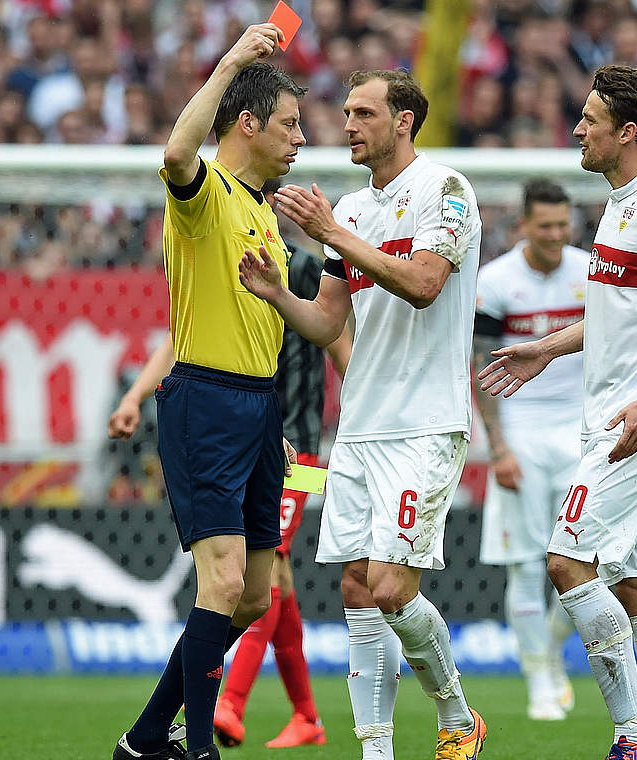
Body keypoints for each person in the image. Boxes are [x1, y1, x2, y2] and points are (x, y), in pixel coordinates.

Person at [237, 68, 486, 760]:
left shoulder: (447, 191)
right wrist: (274, 292)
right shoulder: (350, 209)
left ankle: (459, 715)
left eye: (363, 113)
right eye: (345, 112)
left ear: (403, 121)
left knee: (390, 586)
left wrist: (331, 235)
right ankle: (377, 751)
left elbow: (425, 285)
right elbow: (326, 322)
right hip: (361, 424)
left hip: (426, 422)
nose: (347, 124)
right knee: (353, 584)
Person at [480, 65, 637, 760]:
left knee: (565, 561)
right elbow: (616, 314)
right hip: (610, 415)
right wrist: (546, 348)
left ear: (627, 132)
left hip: (634, 423)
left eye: (589, 119)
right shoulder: (617, 204)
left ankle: (632, 734)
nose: (577, 129)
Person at [111, 24, 306, 760]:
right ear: (247, 123)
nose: (301, 139)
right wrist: (231, 61)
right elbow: (173, 153)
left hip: (256, 411)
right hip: (205, 404)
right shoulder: (206, 194)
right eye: (289, 125)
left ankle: (145, 734)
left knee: (256, 593)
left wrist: (271, 420)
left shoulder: (264, 209)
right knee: (221, 579)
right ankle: (199, 752)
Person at [109, 182, 352, 749]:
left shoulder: (307, 271)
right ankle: (299, 714)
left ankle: (236, 709)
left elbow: (344, 351)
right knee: (260, 582)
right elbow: (180, 340)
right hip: (243, 432)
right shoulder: (222, 269)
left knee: (260, 577)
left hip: (294, 447)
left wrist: (363, 433)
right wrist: (133, 398)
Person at [472, 177, 588, 721]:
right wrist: (498, 447)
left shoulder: (592, 273)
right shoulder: (495, 282)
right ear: (524, 226)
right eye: (545, 226)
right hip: (519, 431)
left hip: (581, 431)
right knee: (524, 566)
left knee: (593, 560)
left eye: (563, 225)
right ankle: (539, 679)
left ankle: (551, 654)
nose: (556, 235)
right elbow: (480, 366)